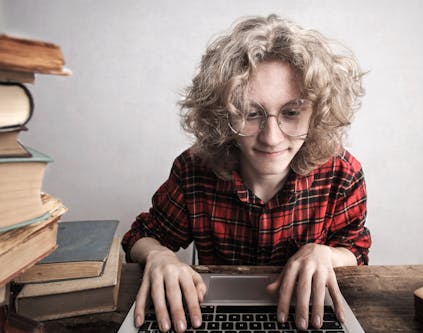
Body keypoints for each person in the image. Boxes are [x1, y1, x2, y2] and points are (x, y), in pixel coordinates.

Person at [122, 14, 371, 333]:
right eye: (250, 113)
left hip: (307, 316)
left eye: (292, 113)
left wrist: (328, 256)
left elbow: (356, 251)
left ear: (318, 113)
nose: (271, 137)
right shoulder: (193, 170)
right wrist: (157, 255)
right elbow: (140, 237)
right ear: (222, 113)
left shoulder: (342, 174)